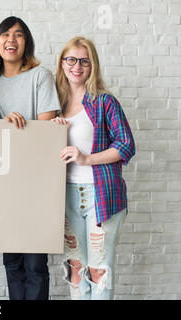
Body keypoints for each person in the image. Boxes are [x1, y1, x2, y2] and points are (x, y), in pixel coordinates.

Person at [0, 16, 61, 300]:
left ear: (26, 43)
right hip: (4, 184)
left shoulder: (41, 76)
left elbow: (45, 131)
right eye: (5, 34)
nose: (11, 40)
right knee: (12, 263)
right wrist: (2, 123)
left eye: (18, 35)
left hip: (36, 182)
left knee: (35, 265)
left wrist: (18, 123)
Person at [51, 36, 135, 300]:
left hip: (101, 196)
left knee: (99, 272)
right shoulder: (55, 104)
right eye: (71, 60)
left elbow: (125, 146)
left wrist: (86, 158)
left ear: (93, 65)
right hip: (67, 196)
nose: (77, 66)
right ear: (62, 63)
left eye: (84, 61)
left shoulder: (104, 102)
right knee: (76, 271)